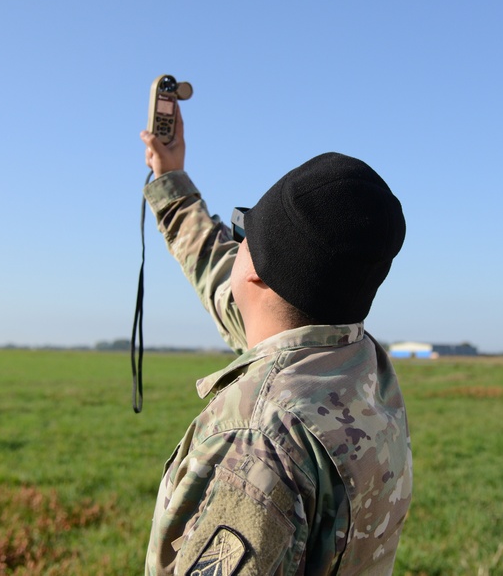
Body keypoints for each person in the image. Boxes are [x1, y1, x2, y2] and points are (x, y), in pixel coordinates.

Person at [139, 103, 412, 575]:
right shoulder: (355, 364)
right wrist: (171, 179)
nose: (233, 241)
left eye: (241, 230)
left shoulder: (258, 437)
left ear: (260, 277)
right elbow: (217, 266)